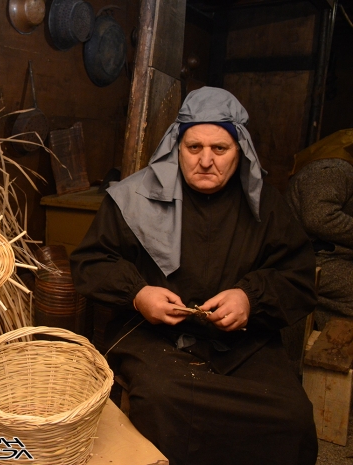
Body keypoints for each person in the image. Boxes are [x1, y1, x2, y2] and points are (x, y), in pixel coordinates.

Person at [70, 87, 318, 465]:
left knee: (292, 415)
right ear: (176, 148)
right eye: (193, 147)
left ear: (240, 153)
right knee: (164, 402)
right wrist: (138, 294)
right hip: (152, 338)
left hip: (242, 345)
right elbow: (92, 261)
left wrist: (250, 298)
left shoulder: (265, 205)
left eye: (220, 149)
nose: (206, 160)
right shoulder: (133, 197)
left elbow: (297, 274)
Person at [286, 129, 353, 329]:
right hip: (310, 258)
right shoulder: (332, 169)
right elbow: (319, 218)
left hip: (330, 256)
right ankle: (331, 351)